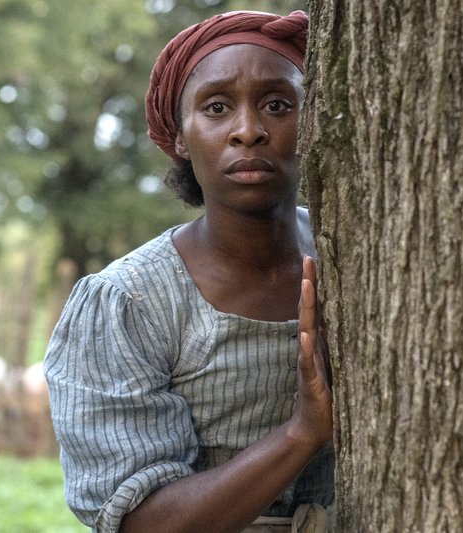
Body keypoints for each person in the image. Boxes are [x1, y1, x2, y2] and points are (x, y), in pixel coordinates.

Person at [44, 10, 334, 533]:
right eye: (217, 107)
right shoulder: (128, 303)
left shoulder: (348, 258)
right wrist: (300, 433)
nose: (248, 131)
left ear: (311, 122)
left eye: (277, 104)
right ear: (180, 136)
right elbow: (140, 523)